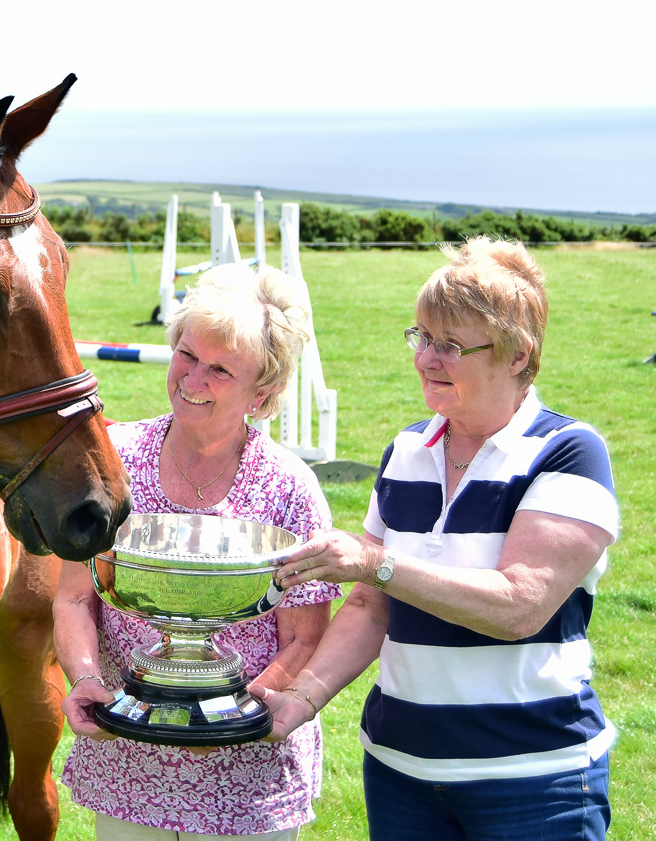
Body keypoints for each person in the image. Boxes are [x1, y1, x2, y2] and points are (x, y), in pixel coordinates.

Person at [261, 236, 618, 840]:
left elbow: (519, 606)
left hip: (532, 780)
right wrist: (299, 700)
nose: (426, 358)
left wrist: (378, 562)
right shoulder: (406, 451)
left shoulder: (569, 453)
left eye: (449, 345)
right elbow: (372, 606)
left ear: (516, 355)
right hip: (400, 771)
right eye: (421, 337)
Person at [55, 263, 341, 841]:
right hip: (130, 757)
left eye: (220, 369)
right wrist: (86, 678)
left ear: (262, 394)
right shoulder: (111, 461)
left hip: (247, 774)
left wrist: (239, 711)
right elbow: (73, 597)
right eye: (187, 354)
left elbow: (304, 637)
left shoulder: (289, 487)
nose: (193, 378)